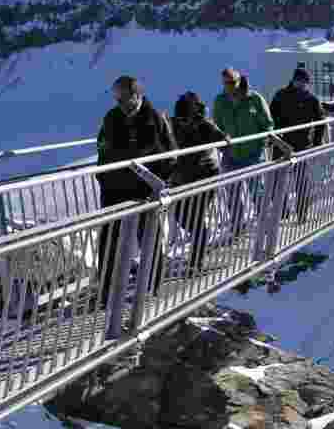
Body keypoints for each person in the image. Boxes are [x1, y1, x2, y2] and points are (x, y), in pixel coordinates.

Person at [95, 76, 177, 308]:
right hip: (114, 187)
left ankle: (153, 286)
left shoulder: (155, 119)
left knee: (149, 236)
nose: (122, 105)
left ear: (138, 95)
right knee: (109, 239)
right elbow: (102, 147)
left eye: (126, 99)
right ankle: (106, 292)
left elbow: (171, 154)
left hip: (144, 188)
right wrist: (103, 175)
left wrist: (160, 183)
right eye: (118, 99)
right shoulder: (112, 117)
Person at [169, 91, 226, 273]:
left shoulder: (204, 125)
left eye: (186, 119)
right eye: (180, 119)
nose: (183, 123)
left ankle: (196, 262)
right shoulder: (175, 122)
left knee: (196, 218)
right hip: (182, 177)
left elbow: (223, 139)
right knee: (180, 213)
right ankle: (198, 247)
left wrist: (224, 140)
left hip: (205, 176)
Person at [213, 68, 274, 238]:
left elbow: (267, 123)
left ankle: (264, 223)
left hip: (253, 153)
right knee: (232, 193)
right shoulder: (220, 101)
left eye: (232, 82)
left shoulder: (254, 99)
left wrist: (262, 144)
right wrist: (222, 144)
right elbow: (217, 126)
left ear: (240, 81)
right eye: (226, 83)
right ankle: (237, 227)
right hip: (230, 154)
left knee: (257, 191)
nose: (229, 86)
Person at [270, 68, 326, 222]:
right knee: (291, 181)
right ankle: (291, 213)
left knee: (292, 181)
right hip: (291, 143)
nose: (302, 84)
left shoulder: (283, 95)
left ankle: (294, 213)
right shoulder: (286, 96)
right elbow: (271, 117)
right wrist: (316, 142)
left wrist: (316, 142)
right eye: (300, 81)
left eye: (304, 82)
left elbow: (321, 122)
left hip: (291, 144)